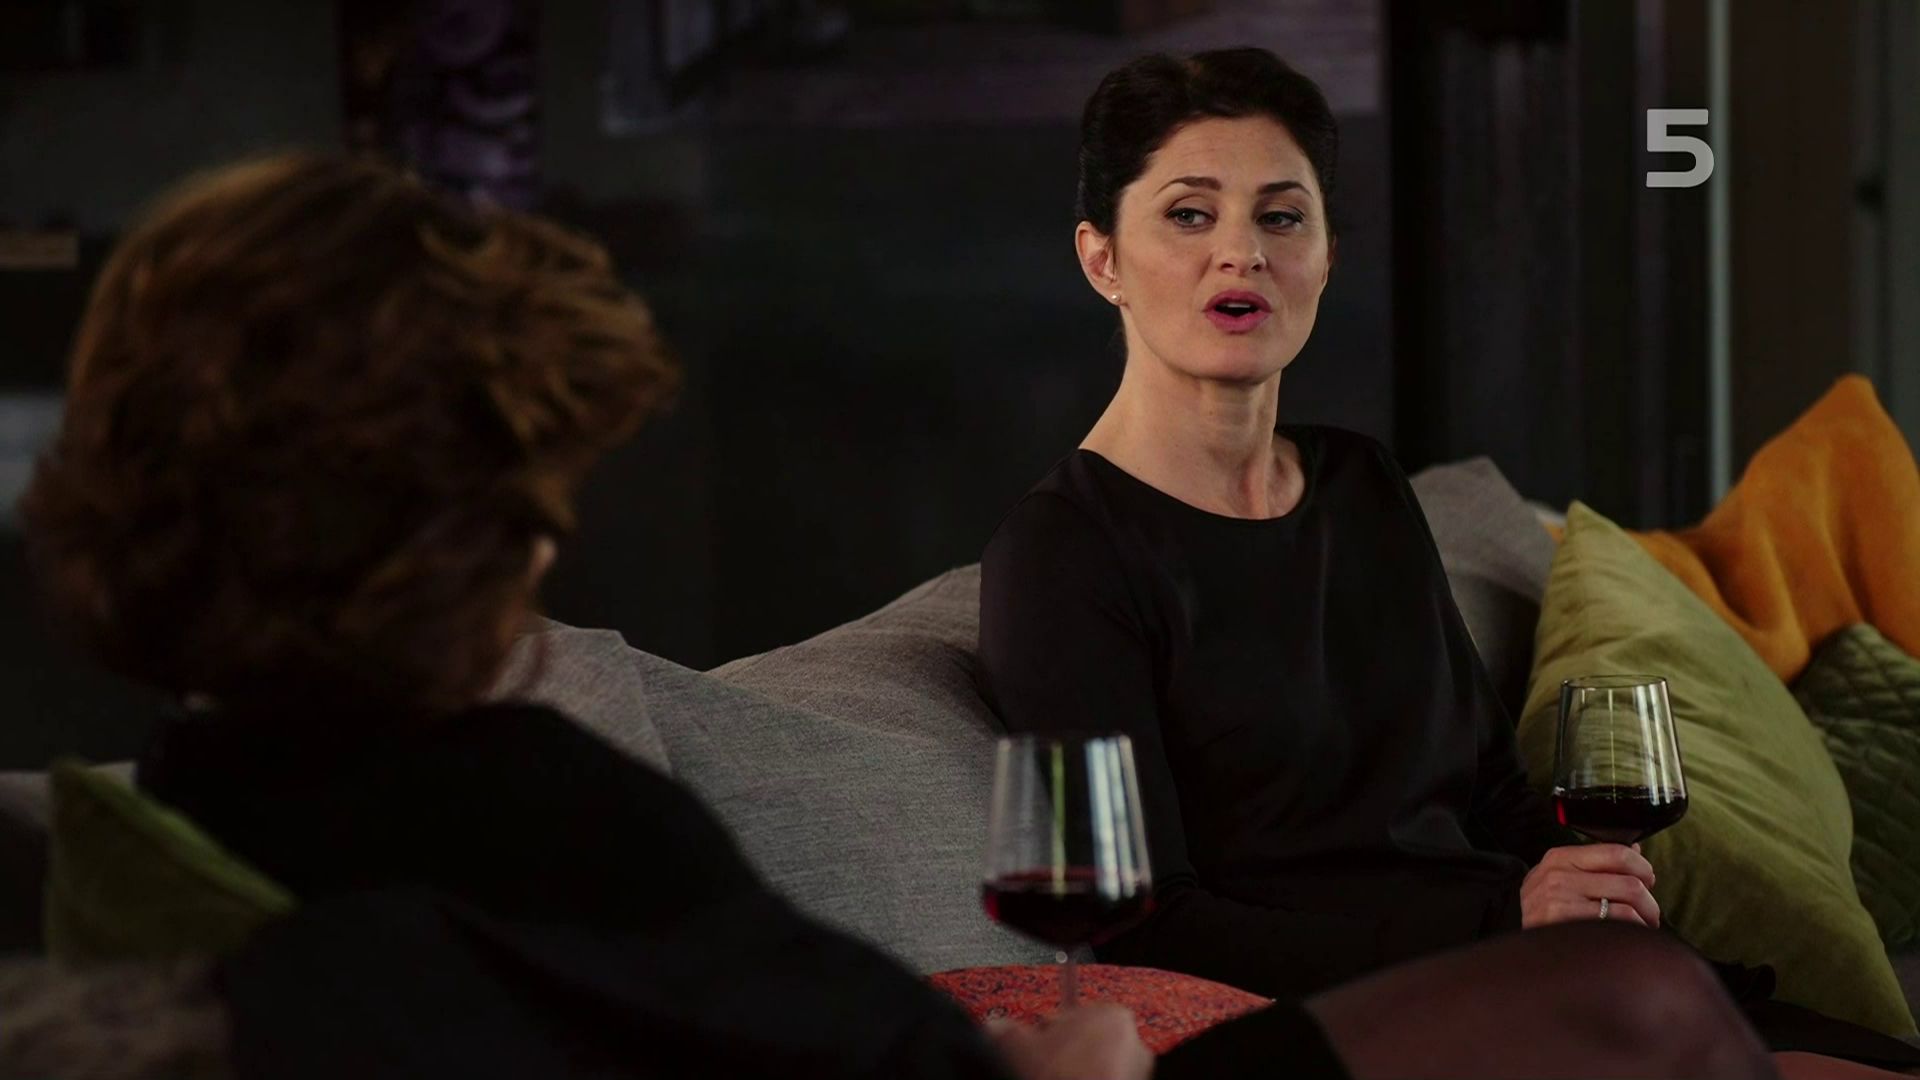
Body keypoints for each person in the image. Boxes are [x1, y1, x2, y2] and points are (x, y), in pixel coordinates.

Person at [18, 151, 1776, 1080]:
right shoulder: (483, 819)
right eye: (528, 493)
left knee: (1637, 996)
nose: (549, 542)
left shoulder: (221, 791)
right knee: (1633, 1005)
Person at [978, 47, 1920, 1080]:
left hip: (1545, 964)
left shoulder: (1363, 486)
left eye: (1282, 217)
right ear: (1102, 259)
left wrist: (1577, 884)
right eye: (1190, 214)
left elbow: (1493, 793)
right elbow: (1150, 921)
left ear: (1326, 257)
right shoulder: (1065, 552)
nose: (1240, 252)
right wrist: (1508, 920)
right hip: (1373, 1012)